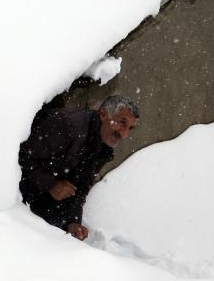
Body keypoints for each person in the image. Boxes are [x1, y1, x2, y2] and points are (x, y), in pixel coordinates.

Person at [18, 95, 139, 240]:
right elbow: (22, 156)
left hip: (44, 201)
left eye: (130, 128)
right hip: (16, 198)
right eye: (122, 122)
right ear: (103, 114)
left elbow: (81, 188)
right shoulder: (69, 126)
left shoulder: (104, 147)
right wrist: (51, 185)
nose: (124, 134)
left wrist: (73, 222)